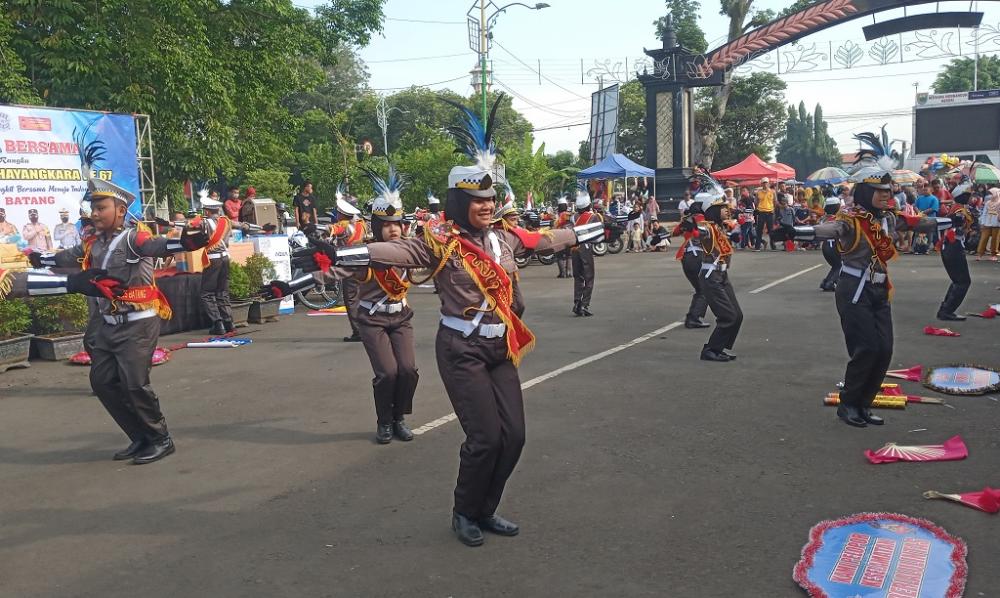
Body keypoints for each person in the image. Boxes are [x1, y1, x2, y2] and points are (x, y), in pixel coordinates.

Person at [290, 95, 605, 547]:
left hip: (502, 348)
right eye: (476, 200)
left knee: (513, 437)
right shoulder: (439, 243)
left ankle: (487, 508)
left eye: (491, 198)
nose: (486, 205)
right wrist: (334, 253)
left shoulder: (505, 239)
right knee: (485, 438)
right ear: (459, 201)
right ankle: (464, 511)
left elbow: (547, 238)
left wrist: (595, 228)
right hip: (462, 350)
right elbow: (396, 251)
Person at [28, 130, 209, 462]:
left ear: (121, 210)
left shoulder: (133, 239)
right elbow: (67, 258)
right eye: (93, 208)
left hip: (138, 324)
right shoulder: (92, 243)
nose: (95, 213)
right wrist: (42, 259)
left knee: (134, 383)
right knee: (102, 381)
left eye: (101, 207)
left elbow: (160, 245)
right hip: (108, 324)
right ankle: (140, 436)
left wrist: (186, 242)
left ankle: (160, 437)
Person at [792, 128, 949, 428]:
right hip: (853, 289)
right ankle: (848, 404)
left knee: (885, 349)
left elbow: (917, 223)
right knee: (866, 348)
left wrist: (948, 220)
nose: (887, 196)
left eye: (889, 192)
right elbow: (830, 230)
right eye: (881, 192)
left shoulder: (888, 218)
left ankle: (864, 404)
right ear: (866, 192)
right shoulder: (851, 220)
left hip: (880, 290)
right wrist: (798, 232)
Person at [694, 177, 743, 362]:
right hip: (711, 276)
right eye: (723, 208)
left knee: (737, 315)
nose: (727, 210)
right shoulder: (707, 227)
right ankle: (710, 350)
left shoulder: (720, 228)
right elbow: (699, 230)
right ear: (713, 210)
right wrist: (695, 218)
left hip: (722, 275)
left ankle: (719, 347)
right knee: (728, 316)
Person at [329, 188, 366, 342]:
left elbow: (330, 230)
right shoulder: (362, 223)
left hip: (348, 264)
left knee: (351, 299)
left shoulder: (343, 224)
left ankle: (358, 332)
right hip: (363, 263)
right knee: (362, 297)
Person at [936, 181, 975, 321]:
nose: (972, 198)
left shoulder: (957, 208)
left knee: (958, 281)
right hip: (953, 246)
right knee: (962, 281)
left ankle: (945, 309)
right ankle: (946, 311)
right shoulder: (959, 211)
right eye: (969, 195)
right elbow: (956, 227)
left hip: (950, 246)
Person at [670, 200, 709, 329]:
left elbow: (675, 232)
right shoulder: (702, 219)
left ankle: (693, 317)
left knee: (700, 289)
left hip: (685, 256)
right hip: (696, 256)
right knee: (704, 289)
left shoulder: (688, 220)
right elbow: (701, 234)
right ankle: (694, 318)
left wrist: (685, 224)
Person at [571, 186, 601, 317]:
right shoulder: (593, 217)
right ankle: (584, 305)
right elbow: (598, 235)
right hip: (585, 248)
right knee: (589, 278)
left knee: (578, 277)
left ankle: (577, 303)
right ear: (588, 205)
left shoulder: (573, 217)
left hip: (574, 248)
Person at [818, 196, 842, 292]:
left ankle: (826, 281)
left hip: (825, 247)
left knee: (835, 265)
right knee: (840, 265)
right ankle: (830, 282)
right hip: (834, 246)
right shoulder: (838, 219)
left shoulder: (824, 219)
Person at [976, 187, 1000, 261]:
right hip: (987, 223)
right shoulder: (988, 203)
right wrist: (983, 223)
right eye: (990, 194)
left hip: (997, 223)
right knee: (983, 238)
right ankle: (980, 254)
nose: (990, 195)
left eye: (992, 194)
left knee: (995, 240)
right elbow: (984, 213)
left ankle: (994, 254)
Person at [754, 177, 776, 251]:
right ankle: (757, 247)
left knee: (771, 230)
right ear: (761, 184)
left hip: (770, 212)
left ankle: (773, 246)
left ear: (768, 183)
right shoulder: (758, 192)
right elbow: (756, 202)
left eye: (766, 182)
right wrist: (757, 209)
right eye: (763, 182)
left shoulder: (772, 192)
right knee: (759, 230)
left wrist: (773, 209)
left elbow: (775, 201)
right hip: (761, 212)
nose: (765, 184)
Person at [554, 195, 573, 278]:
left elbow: (554, 226)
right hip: (569, 236)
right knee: (569, 255)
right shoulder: (570, 214)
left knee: (559, 256)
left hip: (559, 237)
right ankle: (569, 272)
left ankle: (562, 273)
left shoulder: (556, 216)